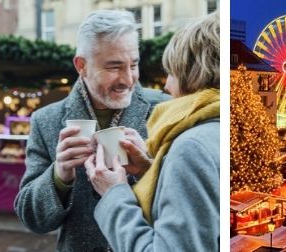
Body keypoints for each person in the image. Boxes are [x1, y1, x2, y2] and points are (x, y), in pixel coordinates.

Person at [14, 10, 170, 251]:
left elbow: (186, 206)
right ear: (82, 65)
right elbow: (32, 220)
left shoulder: (164, 109)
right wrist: (59, 175)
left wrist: (146, 171)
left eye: (134, 64)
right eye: (114, 67)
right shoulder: (46, 120)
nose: (128, 79)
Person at [84, 11, 220, 251]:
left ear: (193, 74)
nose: (166, 84)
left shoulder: (191, 146)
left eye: (172, 71)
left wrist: (114, 193)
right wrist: (150, 169)